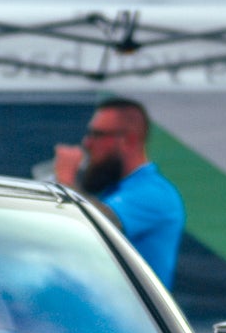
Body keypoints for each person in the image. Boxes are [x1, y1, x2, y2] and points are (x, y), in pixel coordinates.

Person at [52, 97, 185, 288]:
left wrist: (65, 182)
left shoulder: (155, 193)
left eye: (96, 134)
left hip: (135, 316)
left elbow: (101, 222)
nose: (87, 143)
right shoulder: (114, 191)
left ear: (128, 140)